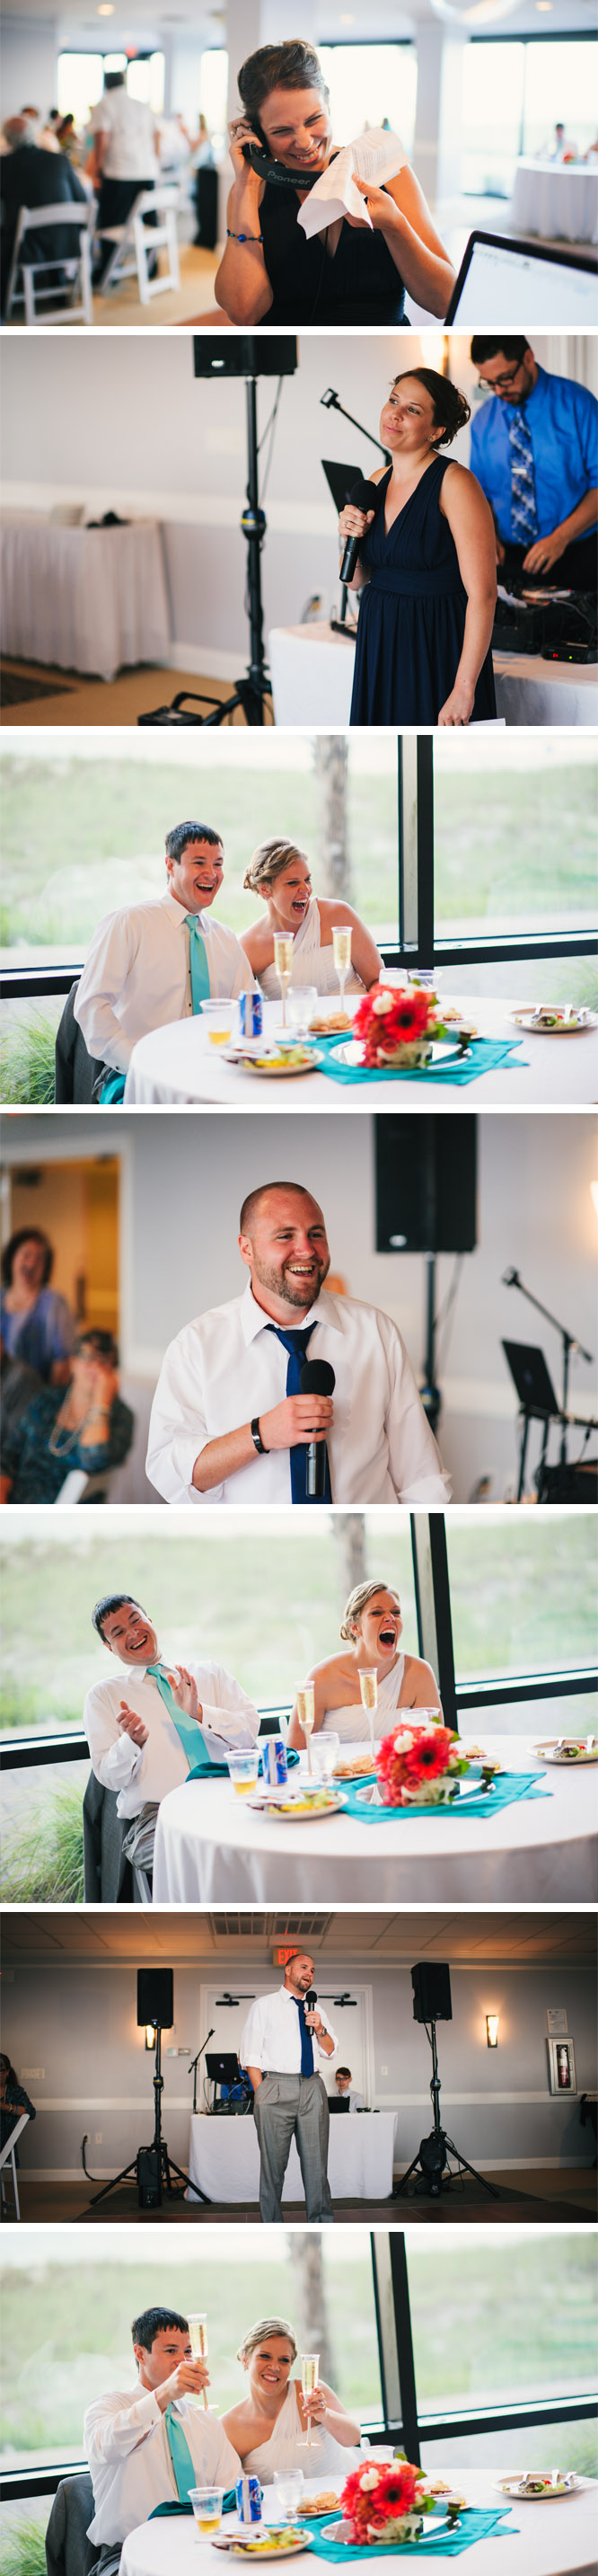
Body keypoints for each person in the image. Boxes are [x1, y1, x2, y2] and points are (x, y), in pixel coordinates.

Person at [145, 1181, 451, 1509]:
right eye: (285, 1236)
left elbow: (421, 1476)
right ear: (246, 1249)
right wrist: (261, 1434)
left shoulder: (376, 1332)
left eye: (316, 1234)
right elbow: (173, 1473)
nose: (306, 1250)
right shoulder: (197, 1345)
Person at [215, 37, 454, 327]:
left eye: (314, 119)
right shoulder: (251, 191)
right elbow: (244, 313)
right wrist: (247, 185)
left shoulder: (388, 172)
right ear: (256, 133)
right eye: (281, 130)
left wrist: (395, 226)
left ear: (328, 104)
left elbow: (443, 302)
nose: (304, 142)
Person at [339, 369, 497, 728]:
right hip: (380, 636)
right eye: (393, 400)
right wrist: (350, 537)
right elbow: (356, 580)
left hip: (435, 641)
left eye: (412, 410)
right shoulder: (376, 481)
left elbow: (484, 595)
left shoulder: (456, 483)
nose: (394, 414)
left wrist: (463, 687)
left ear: (436, 431)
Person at [74, 821, 256, 1102]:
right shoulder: (128, 923)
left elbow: (249, 1010)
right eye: (199, 863)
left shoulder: (227, 939)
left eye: (218, 864)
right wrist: (140, 1063)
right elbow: (91, 1007)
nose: (212, 874)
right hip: (134, 1075)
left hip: (215, 1073)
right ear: (170, 866)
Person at [84, 1590, 259, 1881]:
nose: (133, 1632)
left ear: (150, 1620)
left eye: (136, 1620)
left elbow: (249, 1734)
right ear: (109, 1647)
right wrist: (132, 1743)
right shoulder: (104, 1696)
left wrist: (200, 1712)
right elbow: (109, 1778)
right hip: (159, 1817)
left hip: (231, 1795)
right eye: (118, 1632)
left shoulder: (208, 1673)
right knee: (205, 1854)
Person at [84, 2304, 239, 2576]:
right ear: (140, 2353)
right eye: (171, 2351)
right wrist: (163, 2396)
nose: (183, 2361)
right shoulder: (109, 2407)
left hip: (201, 2546)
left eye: (187, 2351)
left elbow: (231, 2489)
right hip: (126, 2555)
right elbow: (105, 2446)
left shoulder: (205, 2421)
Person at [470, 338, 598, 590]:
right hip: (510, 560)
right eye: (489, 383)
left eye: (505, 378)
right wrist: (489, 535)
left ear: (528, 358)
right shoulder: (483, 419)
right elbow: (479, 492)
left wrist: (560, 539)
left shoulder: (579, 404)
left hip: (576, 553)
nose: (498, 391)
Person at [240, 1954, 338, 2225]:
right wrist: (262, 2094)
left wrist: (320, 2028)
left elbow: (330, 2051)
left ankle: (321, 2226)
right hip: (275, 2087)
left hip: (312, 2088)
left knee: (317, 2168)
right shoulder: (264, 2006)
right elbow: (250, 2055)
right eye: (304, 1967)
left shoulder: (318, 2009)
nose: (310, 1973)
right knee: (273, 2169)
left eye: (314, 1970)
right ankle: (271, 2227)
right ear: (288, 1970)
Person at [287, 1579, 442, 1749]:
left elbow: (437, 1746)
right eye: (377, 1613)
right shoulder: (322, 1677)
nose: (390, 1618)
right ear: (355, 1627)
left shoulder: (419, 1673)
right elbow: (297, 1752)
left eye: (396, 1612)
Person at [0, 1329, 133, 1507]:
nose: (95, 1367)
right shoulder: (46, 1400)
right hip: (17, 1506)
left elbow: (94, 1460)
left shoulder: (121, 1416)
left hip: (71, 1517)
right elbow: (9, 1455)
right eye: (88, 1358)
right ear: (73, 1363)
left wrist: (101, 1403)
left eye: (104, 1361)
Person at [239, 838, 382, 1003]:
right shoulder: (249, 947)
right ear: (265, 889)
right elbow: (244, 1011)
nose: (306, 889)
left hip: (353, 1021)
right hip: (295, 1027)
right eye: (293, 883)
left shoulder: (339, 915)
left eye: (307, 880)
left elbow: (377, 981)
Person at [222, 2317, 361, 2469]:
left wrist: (325, 2415)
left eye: (283, 2360)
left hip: (335, 2490)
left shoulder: (311, 2392)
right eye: (265, 2356)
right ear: (245, 2360)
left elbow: (353, 2438)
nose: (275, 2367)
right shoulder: (229, 2426)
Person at [0, 112, 88, 314]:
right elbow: (82, 200)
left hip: (27, 247)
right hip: (68, 243)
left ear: (7, 138)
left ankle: (5, 301)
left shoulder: (3, 166)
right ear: (33, 134)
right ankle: (58, 288)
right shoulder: (59, 160)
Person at [86, 70, 159, 277]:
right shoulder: (141, 105)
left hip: (119, 171)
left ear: (105, 84)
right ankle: (151, 267)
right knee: (148, 221)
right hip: (146, 170)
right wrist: (155, 159)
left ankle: (109, 269)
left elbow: (102, 139)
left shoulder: (105, 104)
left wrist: (97, 170)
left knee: (111, 222)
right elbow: (157, 133)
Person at [0, 1229, 75, 1385]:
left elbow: (62, 1364)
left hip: (36, 1399)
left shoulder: (54, 1304)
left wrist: (48, 1403)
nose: (32, 1263)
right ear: (12, 1258)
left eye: (39, 1259)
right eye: (26, 1255)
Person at [0, 2053, 37, 2155]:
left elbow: (31, 2113)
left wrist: (5, 2107)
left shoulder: (15, 2092)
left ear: (7, 2072)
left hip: (4, 2143)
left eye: (1, 2070)